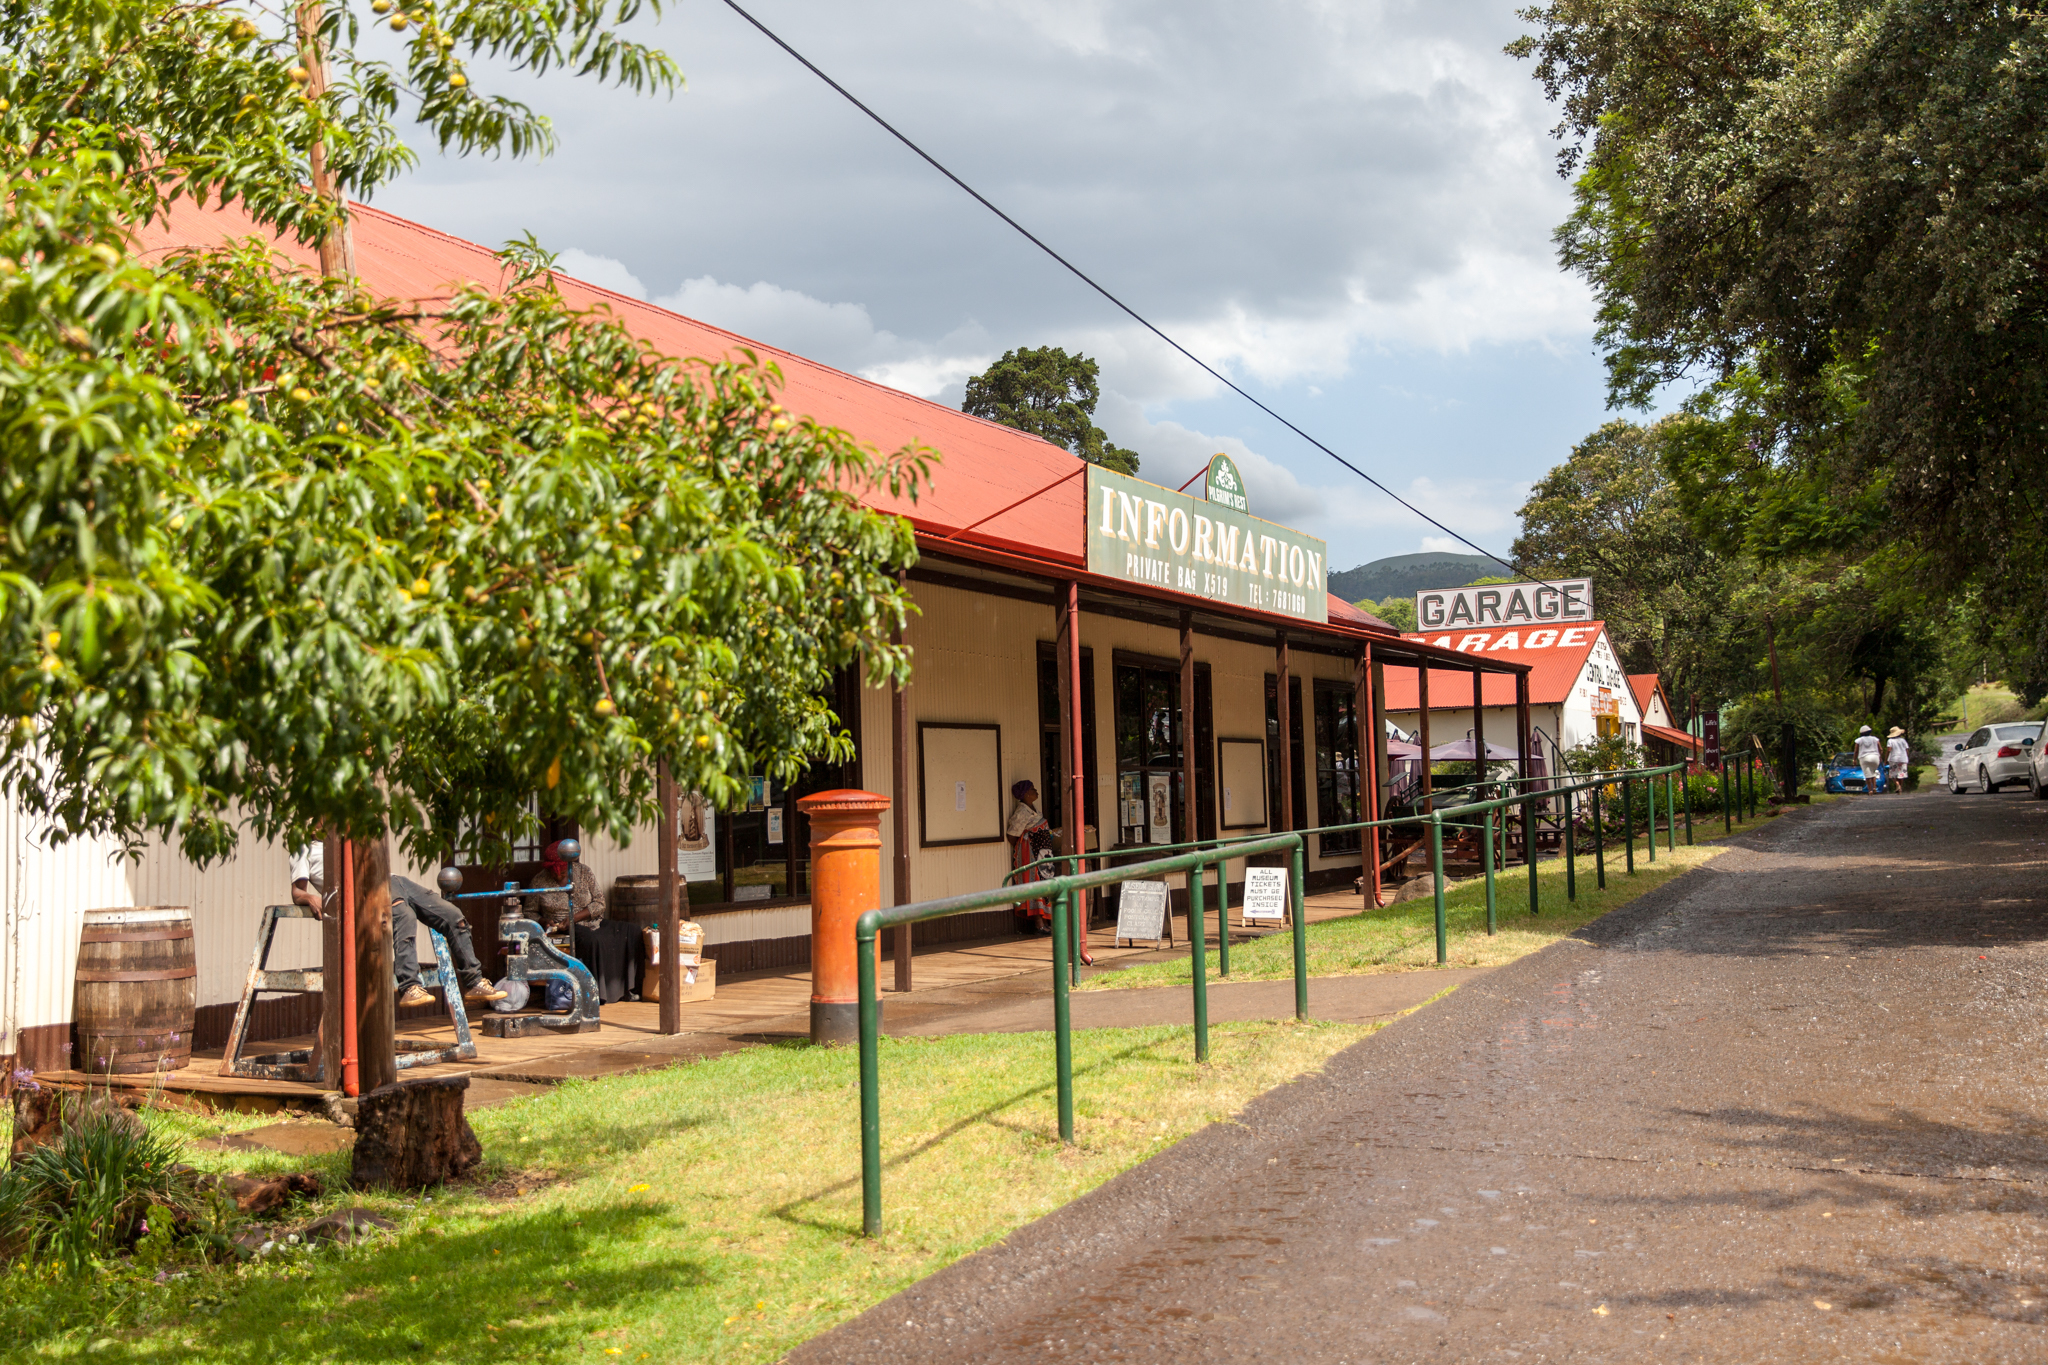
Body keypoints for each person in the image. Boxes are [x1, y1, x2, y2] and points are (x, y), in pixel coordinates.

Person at [289, 844, 506, 1008]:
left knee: (453, 915)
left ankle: (474, 981)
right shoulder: (302, 847)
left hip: (394, 881)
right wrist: (310, 897)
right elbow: (297, 892)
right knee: (404, 915)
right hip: (364, 890)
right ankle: (410, 986)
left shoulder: (346, 836)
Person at [504, 839, 606, 935]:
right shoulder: (539, 881)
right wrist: (544, 921)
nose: (558, 876)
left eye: (562, 872)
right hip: (559, 932)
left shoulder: (584, 872)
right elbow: (529, 912)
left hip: (592, 928)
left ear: (568, 865)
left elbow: (600, 903)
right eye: (553, 873)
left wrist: (574, 918)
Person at [1007, 780, 1058, 935]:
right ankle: (1039, 923)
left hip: (1043, 853)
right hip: (1032, 853)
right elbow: (1012, 834)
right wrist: (1026, 844)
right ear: (1027, 794)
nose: (1036, 791)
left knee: (1046, 883)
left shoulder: (1032, 809)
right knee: (1035, 883)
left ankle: (1048, 919)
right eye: (1033, 789)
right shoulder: (1022, 812)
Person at [1854, 724, 1883, 794]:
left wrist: (1854, 759)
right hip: (1875, 757)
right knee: (1873, 773)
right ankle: (1874, 787)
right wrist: (1880, 756)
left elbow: (1856, 751)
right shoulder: (1875, 739)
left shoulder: (1859, 740)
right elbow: (1881, 749)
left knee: (1868, 775)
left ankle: (1870, 790)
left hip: (1864, 758)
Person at [1886, 726, 1911, 794]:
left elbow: (1889, 750)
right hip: (1903, 758)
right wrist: (1906, 756)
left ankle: (1897, 784)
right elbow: (1907, 750)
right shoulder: (1903, 740)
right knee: (1901, 774)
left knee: (1893, 774)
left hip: (1893, 758)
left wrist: (1886, 759)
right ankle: (1900, 788)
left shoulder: (1890, 741)